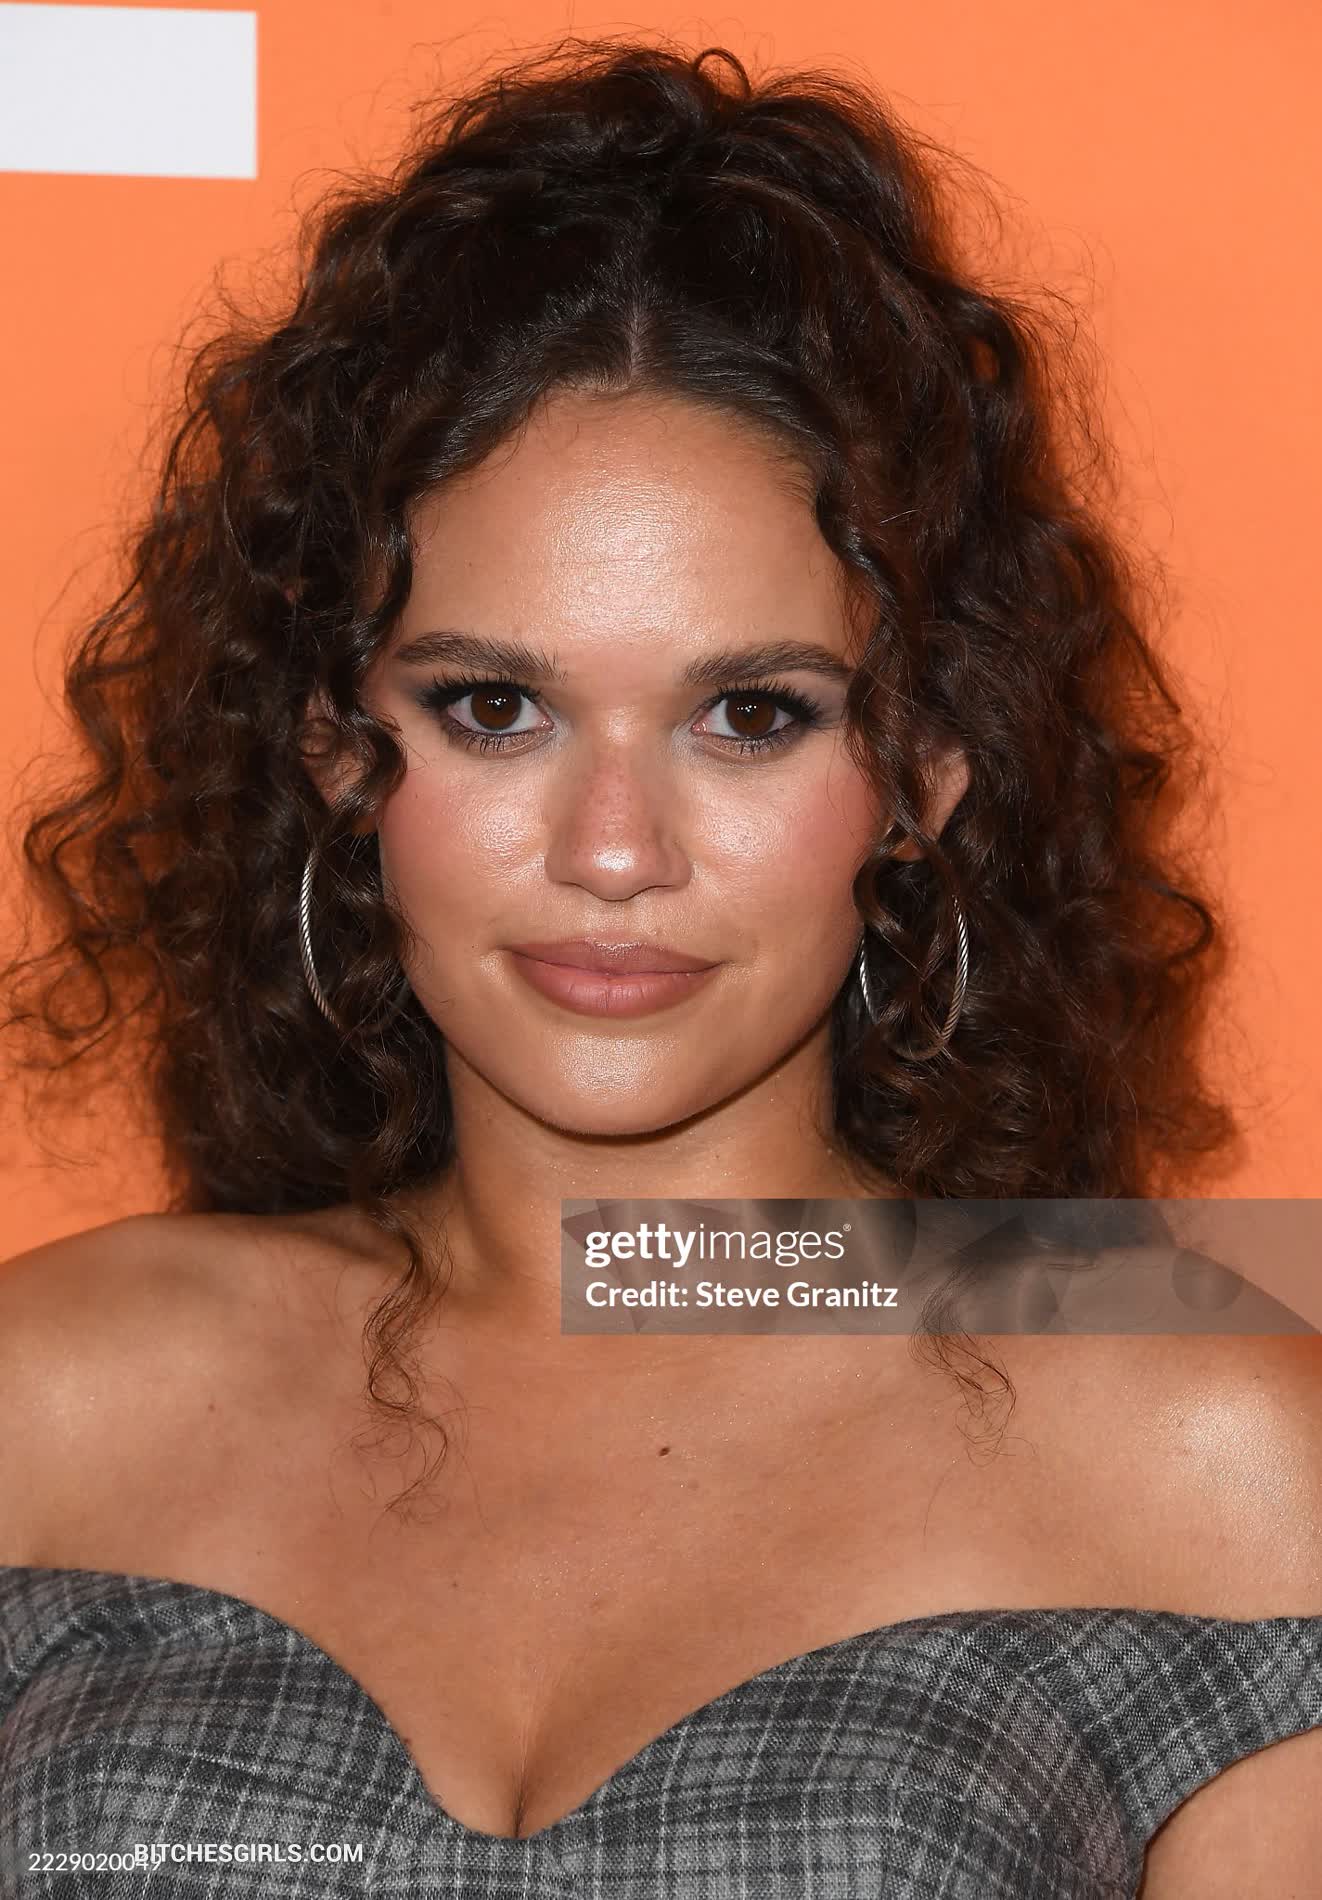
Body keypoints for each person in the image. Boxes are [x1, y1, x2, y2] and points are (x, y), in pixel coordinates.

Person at [0, 33, 1318, 1899]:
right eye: (493, 707)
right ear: (333, 753)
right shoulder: (46, 1401)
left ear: (923, 772)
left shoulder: (1217, 1452)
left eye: (752, 716)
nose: (613, 853)